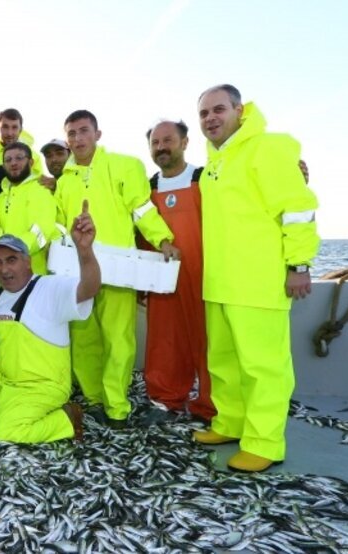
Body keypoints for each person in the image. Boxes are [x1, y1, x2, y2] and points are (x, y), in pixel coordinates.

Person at [192, 84, 319, 473]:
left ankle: (265, 443)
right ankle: (229, 422)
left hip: (258, 283)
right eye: (203, 114)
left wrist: (298, 265)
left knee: (263, 367)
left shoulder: (268, 147)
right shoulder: (215, 163)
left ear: (239, 110)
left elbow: (298, 209)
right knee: (224, 364)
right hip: (220, 284)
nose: (210, 118)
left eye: (218, 110)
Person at [54, 109, 179, 429]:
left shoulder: (126, 165)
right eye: (71, 133)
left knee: (118, 340)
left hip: (118, 272)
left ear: (98, 134)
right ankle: (95, 399)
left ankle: (117, 408)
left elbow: (142, 210)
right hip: (77, 272)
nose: (78, 138)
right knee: (83, 339)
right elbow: (57, 226)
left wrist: (163, 238)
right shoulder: (63, 181)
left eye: (84, 131)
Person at [0, 221, 98, 443]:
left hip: (43, 384)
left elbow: (89, 289)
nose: (4, 269)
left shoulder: (49, 287)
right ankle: (11, 408)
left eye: (11, 260)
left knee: (4, 433)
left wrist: (84, 251)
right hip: (6, 377)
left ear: (27, 262)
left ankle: (65, 419)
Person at [140, 120, 215, 422]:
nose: (161, 148)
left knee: (209, 341)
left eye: (168, 140)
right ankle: (166, 400)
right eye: (155, 143)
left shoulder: (205, 179)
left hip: (203, 274)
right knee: (164, 341)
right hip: (161, 278)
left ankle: (211, 406)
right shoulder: (146, 188)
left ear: (184, 142)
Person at [0, 142, 58, 274]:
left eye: (19, 158)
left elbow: (43, 230)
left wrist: (14, 250)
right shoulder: (0, 198)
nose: (13, 163)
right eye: (8, 160)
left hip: (34, 275)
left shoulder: (40, 191)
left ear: (30, 162)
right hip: (4, 276)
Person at [0, 108, 44, 177]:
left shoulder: (34, 157)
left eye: (14, 127)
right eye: (5, 127)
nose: (10, 133)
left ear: (21, 129)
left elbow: (39, 183)